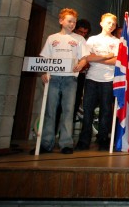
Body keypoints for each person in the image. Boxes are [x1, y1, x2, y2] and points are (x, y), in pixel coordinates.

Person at [31, 8, 88, 155]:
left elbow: (84, 58)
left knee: (68, 111)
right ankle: (46, 143)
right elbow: (45, 58)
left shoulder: (79, 39)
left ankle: (66, 144)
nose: (72, 24)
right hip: (54, 78)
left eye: (74, 22)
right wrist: (44, 73)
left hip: (70, 79)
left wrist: (81, 64)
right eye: (69, 21)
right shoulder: (52, 38)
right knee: (50, 111)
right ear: (61, 21)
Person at [75, 13, 120, 151]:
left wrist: (98, 58)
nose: (110, 25)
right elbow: (87, 58)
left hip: (108, 79)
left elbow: (116, 60)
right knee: (87, 110)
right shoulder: (92, 39)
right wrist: (106, 56)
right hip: (91, 79)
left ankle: (103, 139)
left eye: (113, 24)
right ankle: (84, 140)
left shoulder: (117, 42)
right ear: (101, 23)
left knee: (106, 111)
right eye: (108, 22)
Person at [72, 19, 92, 122]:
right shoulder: (69, 39)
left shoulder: (86, 42)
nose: (83, 35)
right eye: (80, 32)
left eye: (85, 33)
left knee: (76, 100)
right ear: (75, 29)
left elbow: (88, 60)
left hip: (80, 75)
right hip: (66, 73)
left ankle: (71, 123)